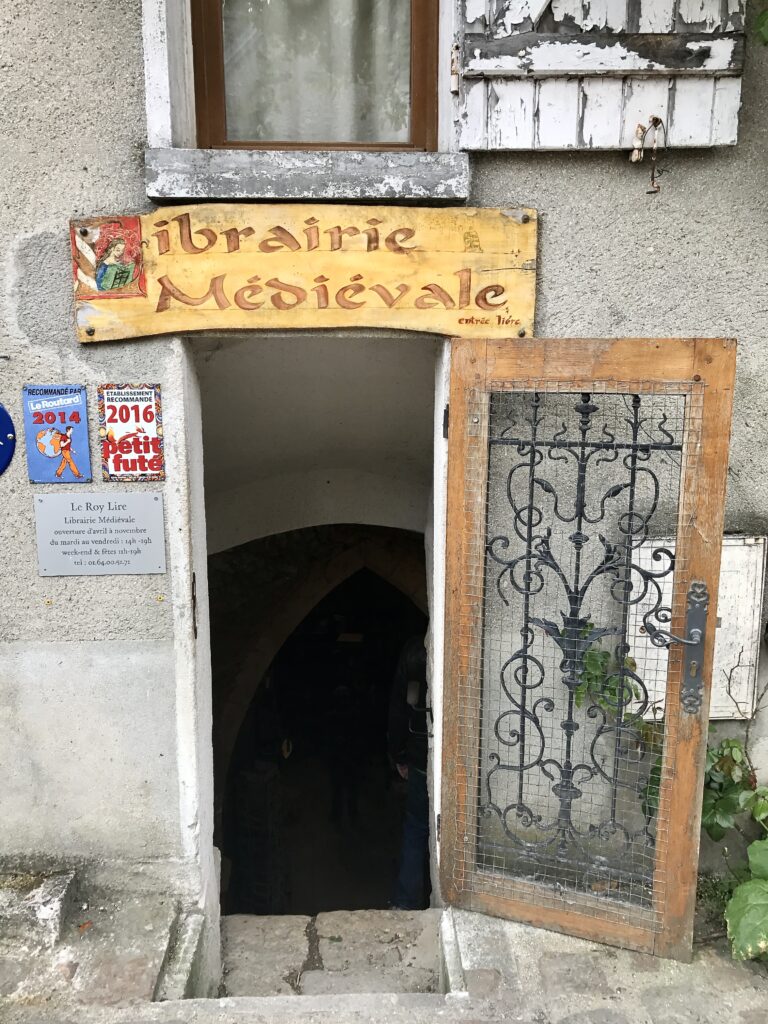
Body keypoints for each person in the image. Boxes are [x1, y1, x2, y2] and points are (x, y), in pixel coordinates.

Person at [389, 634, 430, 910]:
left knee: (416, 828)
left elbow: (398, 709)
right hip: (455, 757)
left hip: (418, 755)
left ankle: (406, 902)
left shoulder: (414, 651)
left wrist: (399, 754)